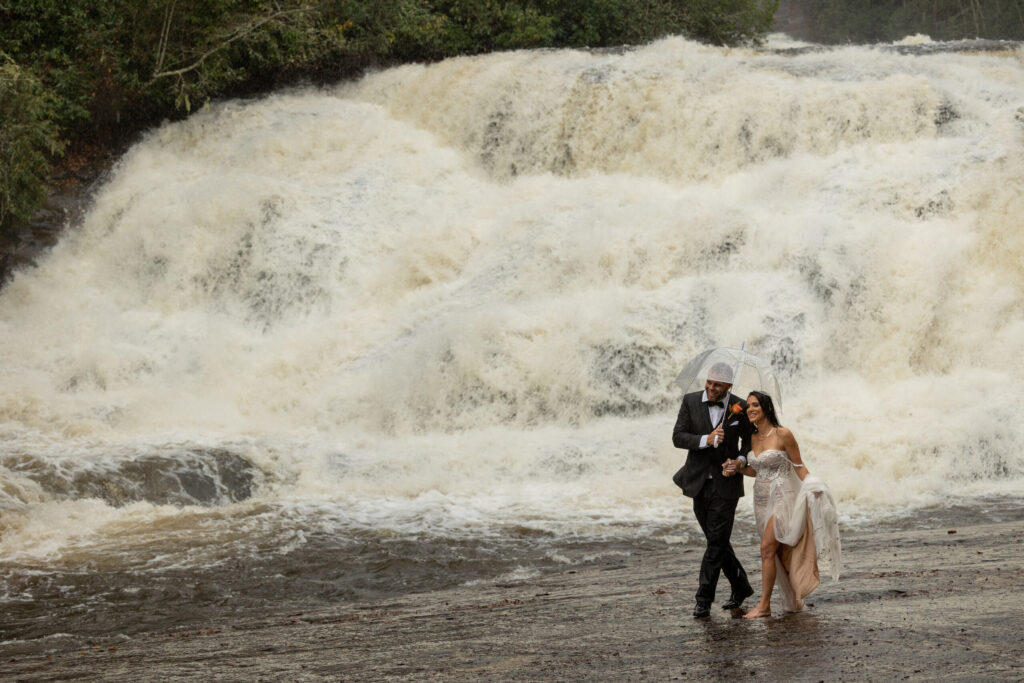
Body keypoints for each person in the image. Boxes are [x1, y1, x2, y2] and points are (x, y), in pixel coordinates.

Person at [723, 390, 841, 618]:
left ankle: (764, 605)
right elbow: (756, 471)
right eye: (748, 406)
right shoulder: (753, 437)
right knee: (776, 552)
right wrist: (737, 468)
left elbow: (798, 466)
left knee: (766, 548)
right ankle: (793, 594)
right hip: (761, 498)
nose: (750, 409)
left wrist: (812, 484)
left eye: (755, 404)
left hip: (783, 497)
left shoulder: (783, 434)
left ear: (766, 407)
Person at [671, 362, 754, 618]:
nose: (710, 387)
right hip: (697, 481)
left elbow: (749, 442)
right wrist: (705, 439)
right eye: (708, 382)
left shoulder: (740, 407)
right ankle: (741, 586)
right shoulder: (691, 401)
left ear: (728, 385)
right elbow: (678, 437)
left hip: (726, 483)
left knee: (716, 542)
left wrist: (740, 462)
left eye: (717, 384)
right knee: (716, 541)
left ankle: (703, 600)